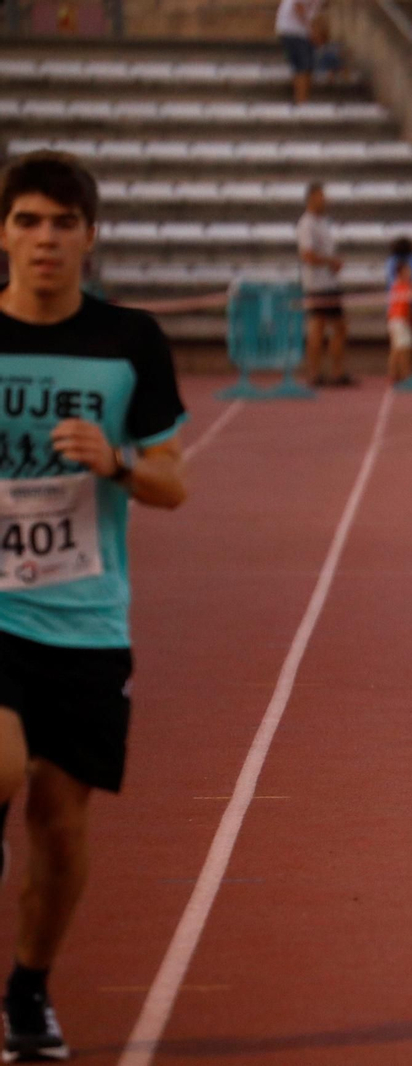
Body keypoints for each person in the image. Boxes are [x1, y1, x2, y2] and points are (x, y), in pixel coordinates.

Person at [0, 152, 188, 1062]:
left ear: (89, 237)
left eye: (62, 224)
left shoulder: (129, 342)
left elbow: (174, 484)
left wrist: (114, 463)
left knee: (62, 824)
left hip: (83, 619)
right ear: (4, 232)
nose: (45, 239)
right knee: (0, 768)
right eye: (29, 220)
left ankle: (29, 988)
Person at [296, 182, 350, 387]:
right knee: (318, 328)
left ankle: (336, 371)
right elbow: (307, 255)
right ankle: (315, 373)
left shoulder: (324, 222)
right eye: (321, 196)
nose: (324, 200)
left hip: (330, 282)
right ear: (311, 198)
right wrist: (330, 262)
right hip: (317, 285)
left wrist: (333, 263)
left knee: (339, 327)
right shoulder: (306, 224)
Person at [274, 0, 325, 106]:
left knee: (304, 67)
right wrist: (311, 30)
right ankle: (302, 101)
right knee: (303, 67)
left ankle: (301, 100)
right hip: (294, 31)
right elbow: (298, 6)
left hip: (293, 30)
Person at [386, 256, 412, 384]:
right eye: (407, 270)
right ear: (400, 272)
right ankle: (405, 375)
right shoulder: (403, 285)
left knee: (397, 348)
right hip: (400, 320)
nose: (410, 273)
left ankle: (395, 374)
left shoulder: (398, 285)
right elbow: (411, 300)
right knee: (404, 348)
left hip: (396, 320)